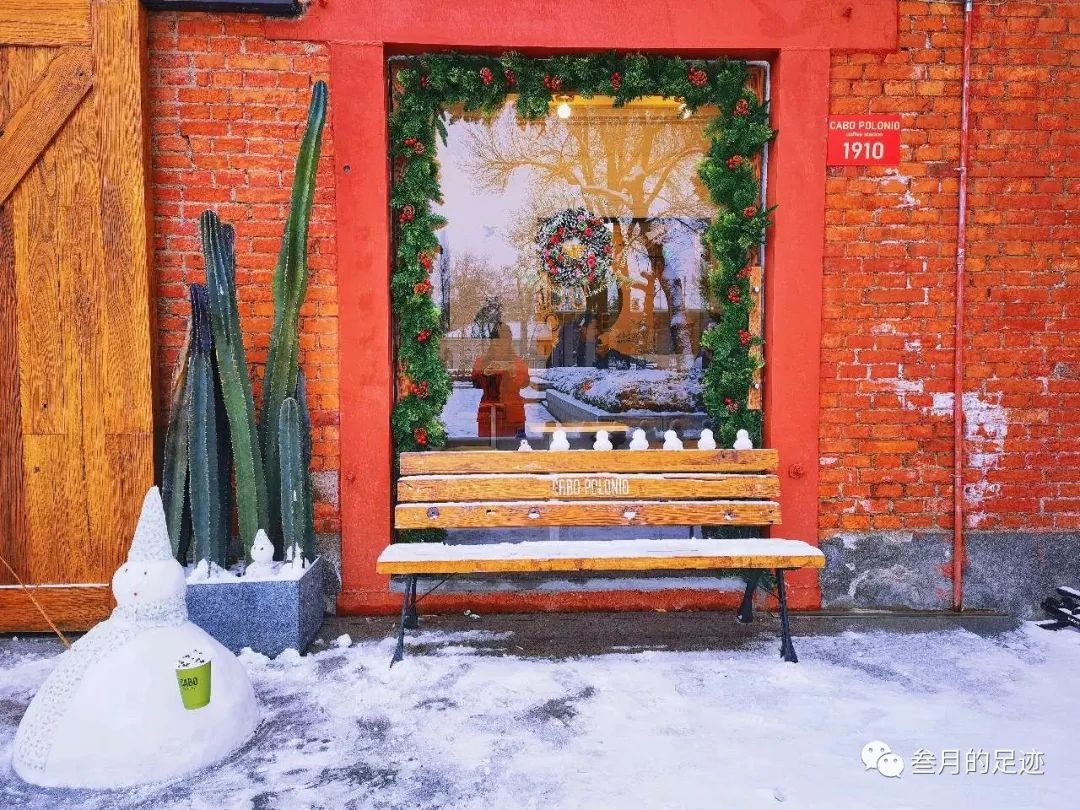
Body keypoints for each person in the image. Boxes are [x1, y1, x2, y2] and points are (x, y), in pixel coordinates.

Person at [472, 322, 529, 438]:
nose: (501, 346)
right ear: (492, 342)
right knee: (487, 448)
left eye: (504, 342)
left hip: (513, 413)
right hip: (489, 413)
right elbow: (475, 382)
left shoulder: (518, 362)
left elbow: (525, 383)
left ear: (509, 342)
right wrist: (484, 374)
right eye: (497, 343)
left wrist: (514, 374)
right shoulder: (482, 362)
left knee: (514, 448)